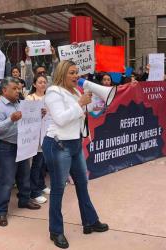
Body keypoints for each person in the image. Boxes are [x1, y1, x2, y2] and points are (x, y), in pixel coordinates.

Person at [42, 60, 108, 249]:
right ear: (62, 73)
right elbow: (61, 119)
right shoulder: (54, 91)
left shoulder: (76, 91)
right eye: (71, 72)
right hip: (58, 144)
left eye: (77, 72)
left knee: (82, 184)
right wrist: (80, 104)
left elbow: (81, 114)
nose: (76, 76)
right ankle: (56, 231)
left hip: (75, 144)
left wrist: (92, 102)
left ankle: (90, 221)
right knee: (58, 189)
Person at [0, 77, 41, 227]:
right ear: (4, 90)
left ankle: (24, 201)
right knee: (6, 181)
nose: (18, 91)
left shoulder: (21, 104)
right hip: (7, 147)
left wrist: (39, 114)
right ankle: (0, 211)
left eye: (19, 88)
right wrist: (10, 119)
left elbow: (28, 122)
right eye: (14, 89)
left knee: (25, 176)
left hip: (23, 145)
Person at [26, 75, 50, 204]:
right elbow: (27, 115)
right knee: (36, 164)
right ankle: (34, 191)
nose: (42, 84)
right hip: (35, 136)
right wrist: (38, 114)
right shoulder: (30, 98)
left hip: (47, 134)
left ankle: (41, 185)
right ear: (34, 84)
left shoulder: (49, 98)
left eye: (44, 82)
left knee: (43, 163)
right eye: (40, 82)